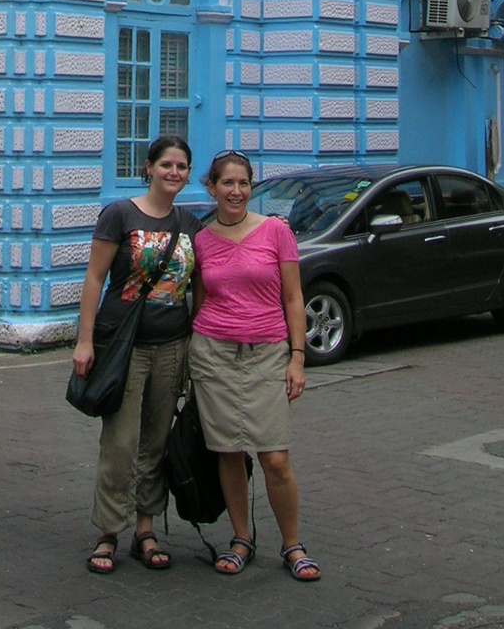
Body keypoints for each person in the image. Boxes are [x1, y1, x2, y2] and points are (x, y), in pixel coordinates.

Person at [71, 135, 202, 574]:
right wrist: (84, 341)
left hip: (172, 345)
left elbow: (198, 290)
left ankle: (145, 529)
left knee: (157, 441)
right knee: (121, 441)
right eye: (166, 164)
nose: (174, 173)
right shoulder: (119, 215)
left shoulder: (190, 224)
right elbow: (94, 279)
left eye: (182, 167)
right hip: (123, 346)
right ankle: (109, 530)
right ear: (148, 167)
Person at [189, 150, 320, 582]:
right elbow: (201, 301)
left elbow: (293, 299)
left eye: (244, 183)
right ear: (212, 187)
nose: (236, 191)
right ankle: (241, 538)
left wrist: (297, 357)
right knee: (228, 452)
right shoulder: (203, 239)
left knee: (275, 457)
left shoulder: (275, 232)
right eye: (227, 183)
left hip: (267, 353)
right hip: (215, 354)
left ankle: (292, 543)